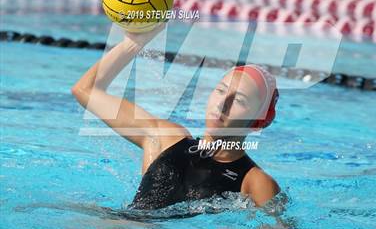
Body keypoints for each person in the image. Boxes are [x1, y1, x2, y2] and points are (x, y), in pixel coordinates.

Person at [71, 23, 281, 210]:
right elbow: (86, 90)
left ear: (259, 122)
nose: (222, 104)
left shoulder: (256, 184)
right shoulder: (164, 138)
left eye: (239, 100)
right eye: (220, 91)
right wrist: (133, 43)